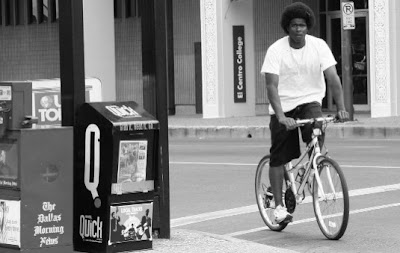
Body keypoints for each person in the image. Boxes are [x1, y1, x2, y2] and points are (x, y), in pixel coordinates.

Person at [260, 2, 349, 224]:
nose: (298, 29)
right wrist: (281, 117)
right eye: (293, 25)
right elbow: (271, 87)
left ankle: (315, 171)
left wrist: (341, 108)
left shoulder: (318, 46)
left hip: (310, 102)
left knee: (317, 138)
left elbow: (333, 78)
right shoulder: (276, 50)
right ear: (287, 27)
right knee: (279, 155)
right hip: (284, 106)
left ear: (307, 26)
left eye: (302, 25)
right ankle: (279, 206)